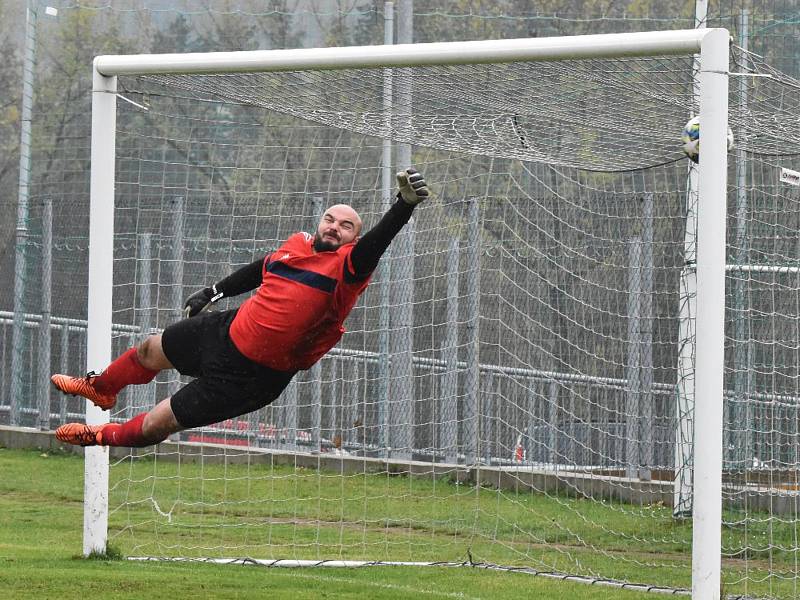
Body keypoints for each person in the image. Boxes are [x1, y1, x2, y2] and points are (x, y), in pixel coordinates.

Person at [52, 168, 429, 448]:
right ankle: (100, 388)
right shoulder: (296, 243)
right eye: (330, 219)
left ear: (353, 237)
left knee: (158, 422)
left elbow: (377, 243)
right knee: (150, 347)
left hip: (254, 377)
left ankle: (100, 436)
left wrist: (403, 206)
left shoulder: (350, 267)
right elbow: (260, 268)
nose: (334, 227)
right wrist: (213, 292)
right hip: (227, 331)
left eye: (346, 226)